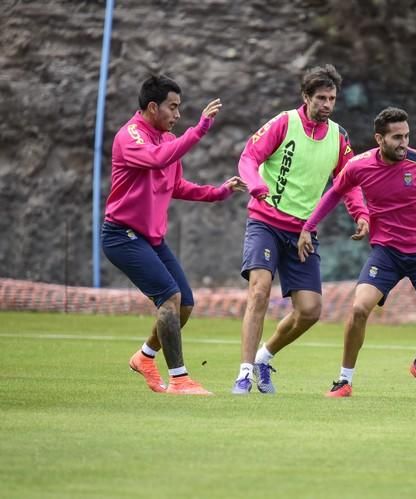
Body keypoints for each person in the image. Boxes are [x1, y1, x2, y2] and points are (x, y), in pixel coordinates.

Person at [298, 107, 416, 399]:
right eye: (396, 137)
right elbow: (334, 194)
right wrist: (307, 227)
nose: (403, 143)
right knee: (358, 308)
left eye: (406, 136)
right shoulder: (358, 165)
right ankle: (344, 380)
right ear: (379, 138)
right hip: (387, 253)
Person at [101, 75, 246, 396]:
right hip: (121, 236)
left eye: (180, 108)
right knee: (169, 298)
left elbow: (176, 185)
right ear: (153, 107)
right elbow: (157, 159)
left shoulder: (167, 140)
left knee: (185, 305)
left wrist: (219, 192)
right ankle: (180, 380)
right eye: (173, 107)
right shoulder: (131, 136)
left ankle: (145, 357)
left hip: (150, 239)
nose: (178, 115)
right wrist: (201, 128)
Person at [233, 64, 370, 395]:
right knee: (260, 289)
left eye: (332, 98)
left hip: (302, 233)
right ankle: (244, 373)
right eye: (320, 98)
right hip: (265, 221)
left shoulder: (339, 137)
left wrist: (360, 212)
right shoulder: (284, 123)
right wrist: (255, 186)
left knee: (310, 311)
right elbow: (248, 158)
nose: (326, 104)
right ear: (305, 97)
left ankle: (265, 357)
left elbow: (347, 181)